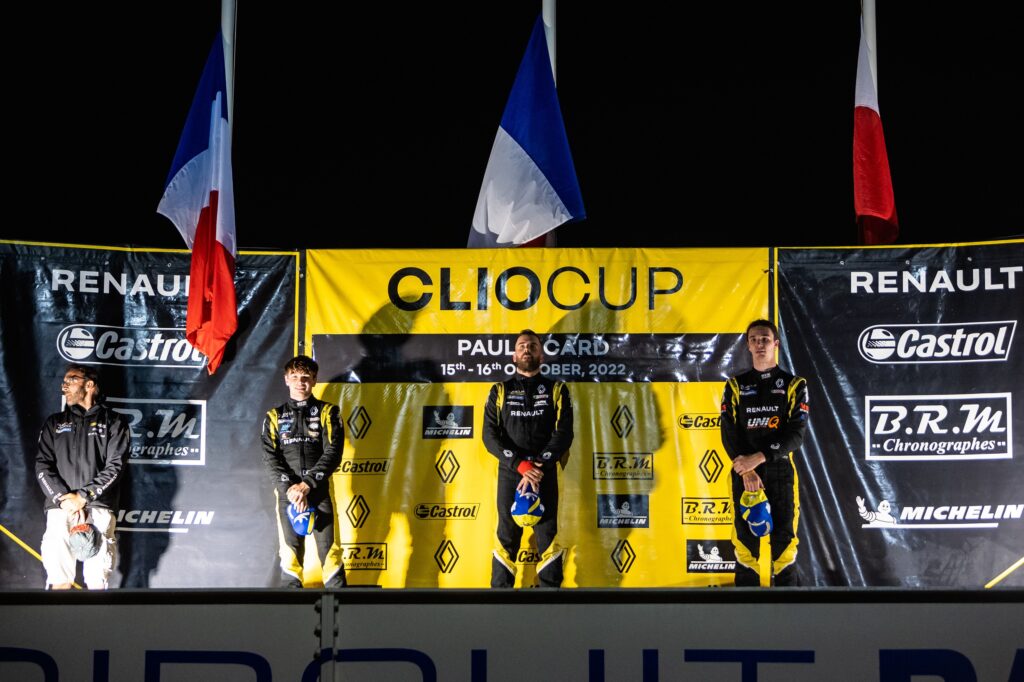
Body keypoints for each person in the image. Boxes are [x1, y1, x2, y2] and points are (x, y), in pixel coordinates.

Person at [720, 319, 809, 586]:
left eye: (765, 339)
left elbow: (796, 435)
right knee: (745, 547)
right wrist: (746, 470)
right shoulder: (734, 386)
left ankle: (788, 612)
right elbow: (728, 433)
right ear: (748, 345)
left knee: (785, 547)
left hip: (780, 471)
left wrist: (757, 458)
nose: (760, 344)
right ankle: (745, 612)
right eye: (754, 340)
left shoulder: (794, 385)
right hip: (743, 474)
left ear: (776, 344)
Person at [482, 329, 574, 588]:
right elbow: (489, 436)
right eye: (522, 346)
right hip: (511, 472)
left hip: (544, 472)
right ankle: (500, 598)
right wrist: (520, 465)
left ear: (541, 355)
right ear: (514, 356)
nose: (527, 349)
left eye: (532, 346)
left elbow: (564, 433)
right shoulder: (500, 390)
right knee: (506, 535)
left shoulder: (557, 389)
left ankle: (550, 597)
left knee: (547, 534)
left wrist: (538, 465)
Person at [36, 364, 128, 589]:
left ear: (89, 385)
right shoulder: (54, 423)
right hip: (61, 508)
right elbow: (42, 466)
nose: (64, 386)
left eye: (72, 380)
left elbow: (116, 466)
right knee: (59, 580)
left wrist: (84, 496)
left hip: (98, 506)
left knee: (97, 581)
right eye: (64, 381)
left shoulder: (114, 422)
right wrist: (62, 499)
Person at [261, 355, 346, 587]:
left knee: (331, 555)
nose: (301, 382)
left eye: (306, 377)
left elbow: (333, 452)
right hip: (288, 495)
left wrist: (307, 484)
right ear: (286, 379)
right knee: (289, 555)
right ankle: (291, 608)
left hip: (319, 492)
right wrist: (290, 489)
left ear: (315, 380)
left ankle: (339, 607)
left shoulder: (329, 412)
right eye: (295, 376)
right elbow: (270, 457)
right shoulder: (273, 417)